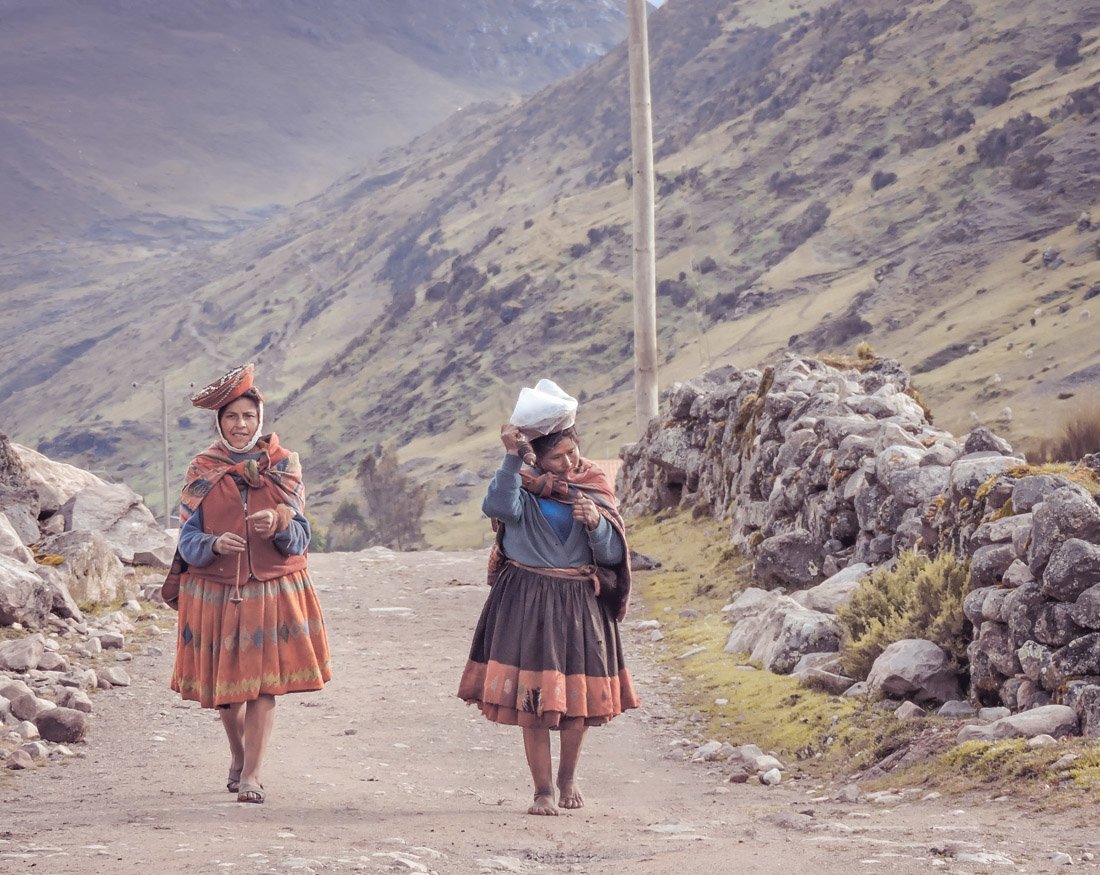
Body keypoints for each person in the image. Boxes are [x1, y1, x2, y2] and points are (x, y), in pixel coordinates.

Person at [457, 417, 640, 816]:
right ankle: (542, 790)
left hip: (579, 602)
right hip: (527, 598)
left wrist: (596, 525)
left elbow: (611, 557)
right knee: (533, 699)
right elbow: (497, 506)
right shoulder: (519, 486)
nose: (569, 462)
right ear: (537, 460)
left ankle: (567, 779)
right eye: (557, 457)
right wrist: (509, 457)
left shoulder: (592, 485)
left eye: (572, 451)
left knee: (578, 699)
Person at [169, 363, 331, 804]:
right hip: (217, 591)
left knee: (263, 687)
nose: (240, 425)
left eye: (247, 417)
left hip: (271, 590)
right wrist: (214, 543)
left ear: (259, 419)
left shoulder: (284, 466)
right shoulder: (202, 468)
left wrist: (279, 524)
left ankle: (253, 776)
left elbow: (301, 539)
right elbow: (186, 539)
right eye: (230, 417)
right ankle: (238, 756)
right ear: (218, 422)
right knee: (229, 695)